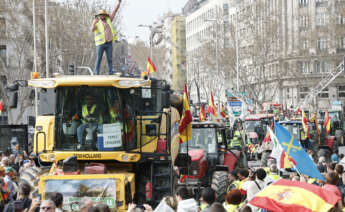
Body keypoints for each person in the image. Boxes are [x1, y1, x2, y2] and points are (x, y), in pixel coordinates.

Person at [91, 0, 122, 75]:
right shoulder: (97, 22)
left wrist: (118, 3)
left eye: (104, 15)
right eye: (101, 15)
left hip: (109, 43)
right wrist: (94, 23)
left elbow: (114, 12)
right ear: (99, 15)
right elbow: (92, 29)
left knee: (110, 59)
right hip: (100, 44)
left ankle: (111, 72)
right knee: (99, 59)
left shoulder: (109, 20)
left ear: (105, 15)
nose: (103, 16)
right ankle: (96, 73)